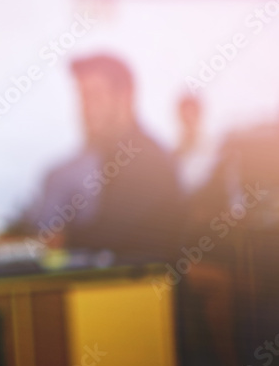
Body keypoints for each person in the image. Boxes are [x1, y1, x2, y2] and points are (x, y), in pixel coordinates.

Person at [16, 54, 182, 262]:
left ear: (125, 97)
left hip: (147, 290)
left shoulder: (148, 160)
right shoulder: (108, 156)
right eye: (81, 98)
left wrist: (50, 241)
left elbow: (110, 234)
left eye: (94, 96)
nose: (84, 109)